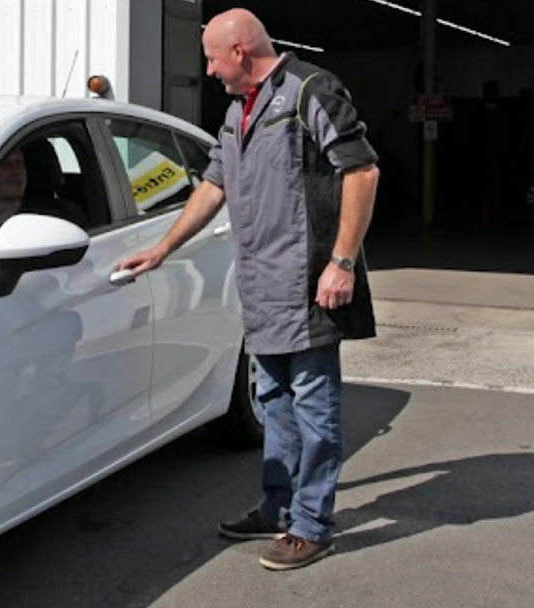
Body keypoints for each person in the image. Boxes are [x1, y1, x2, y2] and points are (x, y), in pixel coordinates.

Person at [115, 8, 381, 571]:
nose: (208, 70)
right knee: (274, 404)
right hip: (260, 287)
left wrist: (342, 262)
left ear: (239, 51)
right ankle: (277, 507)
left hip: (308, 284)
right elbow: (214, 185)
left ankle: (311, 525)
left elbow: (361, 172)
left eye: (211, 57)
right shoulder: (238, 110)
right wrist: (164, 248)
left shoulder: (311, 91)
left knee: (314, 408)